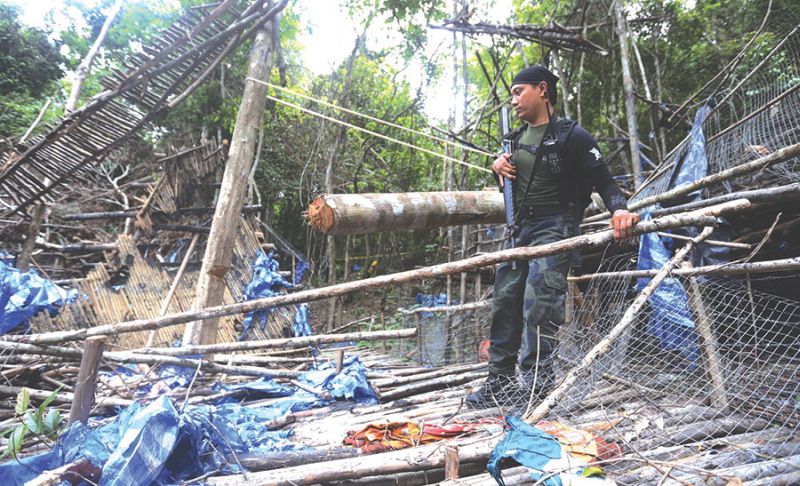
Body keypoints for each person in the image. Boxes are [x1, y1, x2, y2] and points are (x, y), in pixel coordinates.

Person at [466, 65, 640, 408]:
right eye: (512, 95)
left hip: (556, 226)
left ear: (542, 90)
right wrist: (496, 166)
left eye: (519, 92)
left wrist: (618, 209)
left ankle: (535, 386)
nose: (514, 100)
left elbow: (604, 181)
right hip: (519, 228)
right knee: (505, 301)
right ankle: (498, 381)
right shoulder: (513, 141)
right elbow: (511, 187)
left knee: (539, 303)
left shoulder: (573, 136)